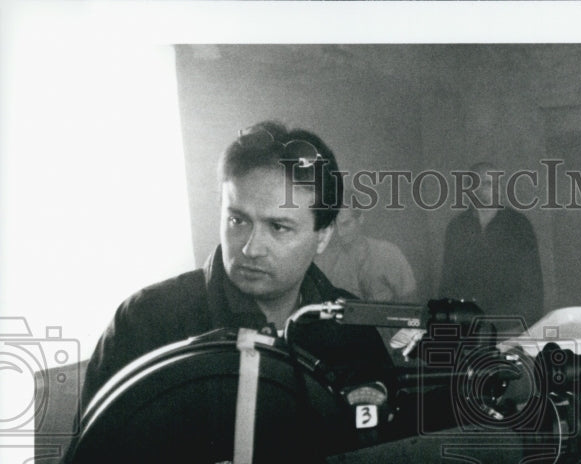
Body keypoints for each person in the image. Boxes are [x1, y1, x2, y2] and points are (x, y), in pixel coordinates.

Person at [80, 121, 358, 407]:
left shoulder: (353, 329)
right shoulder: (144, 321)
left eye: (278, 227)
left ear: (323, 236)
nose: (251, 248)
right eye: (237, 220)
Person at [438, 162, 544, 329]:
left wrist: (524, 324)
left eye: (495, 183)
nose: (492, 189)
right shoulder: (457, 227)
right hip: (469, 325)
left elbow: (532, 283)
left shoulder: (518, 224)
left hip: (511, 324)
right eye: (485, 183)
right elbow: (449, 281)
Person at [318, 203, 416, 302]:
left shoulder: (388, 253)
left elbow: (409, 299)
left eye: (346, 224)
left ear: (360, 218)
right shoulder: (325, 259)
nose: (340, 233)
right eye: (335, 227)